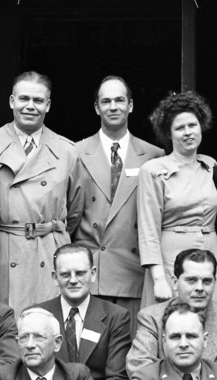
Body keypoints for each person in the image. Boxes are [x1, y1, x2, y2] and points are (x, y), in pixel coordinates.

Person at [65, 75, 163, 314]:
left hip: (134, 271)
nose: (113, 106)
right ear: (97, 108)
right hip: (90, 271)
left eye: (119, 100)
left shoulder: (154, 155)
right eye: (106, 101)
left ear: (130, 105)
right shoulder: (74, 152)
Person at [0, 71, 75, 312]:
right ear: (12, 101)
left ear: (48, 105)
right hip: (4, 251)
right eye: (24, 99)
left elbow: (76, 210)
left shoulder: (67, 150)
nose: (30, 106)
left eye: (38, 100)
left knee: (48, 323)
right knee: (5, 324)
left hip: (48, 250)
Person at [136, 90, 217, 306]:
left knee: (214, 322)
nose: (188, 132)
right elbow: (148, 230)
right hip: (171, 257)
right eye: (180, 128)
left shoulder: (211, 166)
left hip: (210, 254)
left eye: (192, 125)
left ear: (201, 126)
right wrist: (159, 278)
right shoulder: (153, 170)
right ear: (169, 133)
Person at [127, 249, 217, 380]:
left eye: (207, 281)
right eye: (191, 280)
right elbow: (139, 368)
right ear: (174, 282)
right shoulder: (151, 318)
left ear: (215, 283)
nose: (199, 288)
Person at [30, 242, 133, 380]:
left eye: (80, 273)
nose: (73, 280)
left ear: (92, 274)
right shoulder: (36, 316)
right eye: (65, 274)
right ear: (54, 277)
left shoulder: (116, 316)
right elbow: (31, 373)